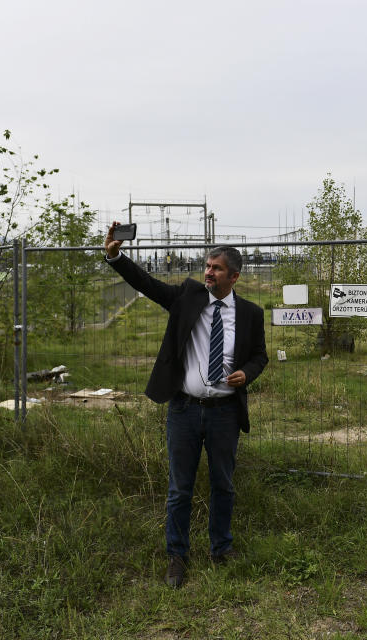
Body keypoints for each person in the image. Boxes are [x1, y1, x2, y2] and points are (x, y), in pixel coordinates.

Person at [104, 222, 268, 588]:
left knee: (223, 484)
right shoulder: (187, 297)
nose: (208, 272)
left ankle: (220, 549)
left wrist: (247, 373)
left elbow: (260, 356)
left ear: (234, 276)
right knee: (180, 488)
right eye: (207, 266)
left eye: (216, 268)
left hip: (225, 413)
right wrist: (116, 257)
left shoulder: (251, 314)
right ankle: (177, 557)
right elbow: (147, 285)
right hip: (184, 410)